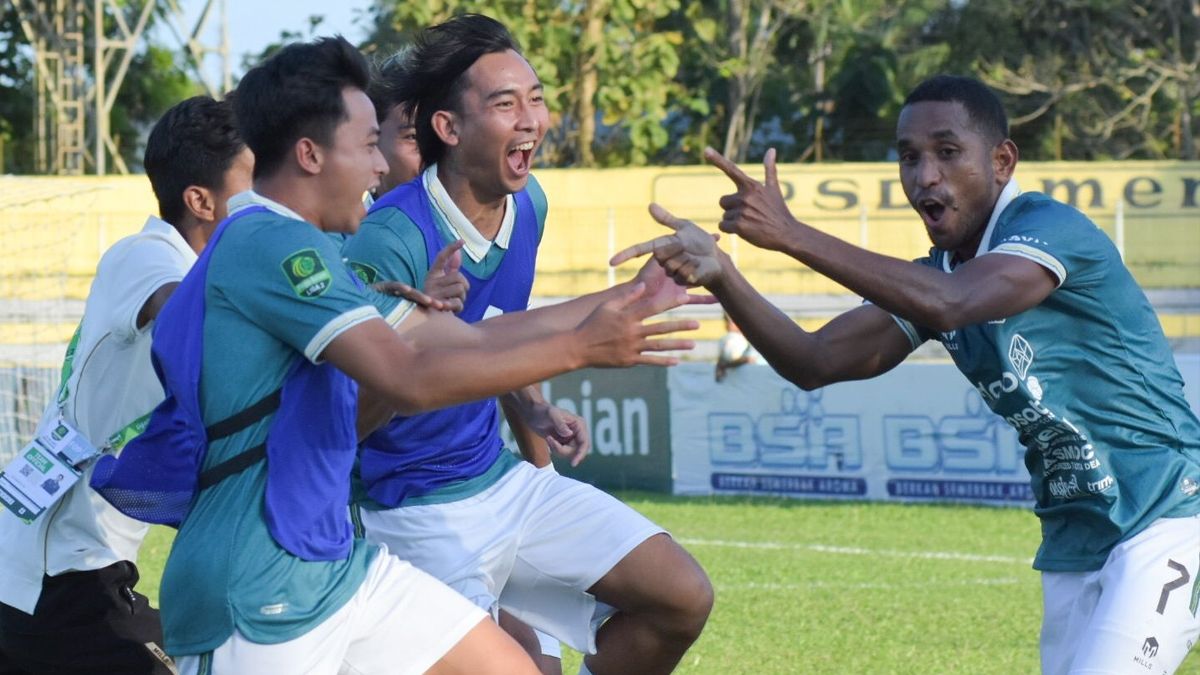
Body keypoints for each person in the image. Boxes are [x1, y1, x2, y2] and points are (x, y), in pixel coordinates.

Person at [90, 36, 701, 675]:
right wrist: (581, 346)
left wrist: (633, 296)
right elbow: (408, 377)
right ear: (309, 155)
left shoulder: (302, 245)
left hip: (334, 562)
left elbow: (460, 341)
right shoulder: (272, 247)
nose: (383, 168)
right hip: (257, 583)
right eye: (366, 146)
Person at [613, 74, 1200, 674]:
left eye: (947, 153)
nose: (925, 176)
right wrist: (723, 274)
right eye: (909, 157)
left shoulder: (1049, 230)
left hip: (1168, 515)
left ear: (1002, 161)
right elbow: (813, 363)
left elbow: (952, 302)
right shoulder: (939, 273)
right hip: (1077, 537)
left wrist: (790, 234)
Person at [343, 16, 714, 675]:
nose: (532, 120)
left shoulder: (530, 203)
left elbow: (500, 333)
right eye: (506, 103)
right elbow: (359, 408)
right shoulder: (388, 236)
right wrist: (580, 335)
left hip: (502, 479)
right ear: (448, 129)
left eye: (536, 98)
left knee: (682, 595)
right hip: (412, 512)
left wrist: (536, 426)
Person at [0, 96, 254, 675]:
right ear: (200, 201)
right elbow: (188, 312)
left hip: (66, 567)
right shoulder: (145, 257)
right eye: (255, 182)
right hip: (60, 570)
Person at [714, 313, 759, 382]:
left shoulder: (752, 338)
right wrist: (719, 367)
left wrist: (725, 366)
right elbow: (722, 358)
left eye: (731, 321)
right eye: (726, 320)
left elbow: (750, 359)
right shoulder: (725, 339)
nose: (728, 324)